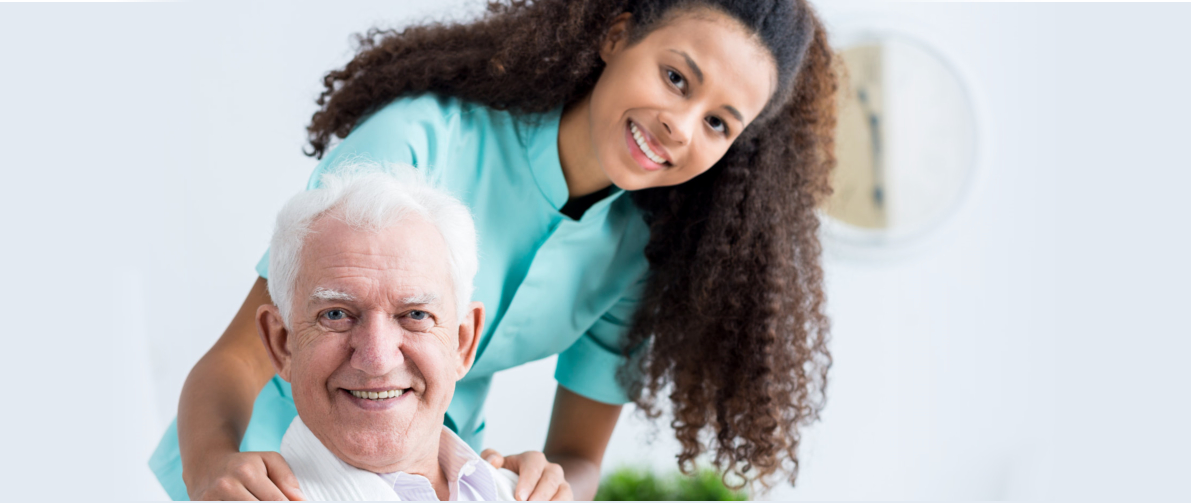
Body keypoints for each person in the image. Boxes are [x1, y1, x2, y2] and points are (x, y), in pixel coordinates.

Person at [150, 0, 839, 500]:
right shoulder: (420, 144)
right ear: (619, 36)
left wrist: (550, 479)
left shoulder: (635, 256)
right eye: (677, 78)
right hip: (270, 470)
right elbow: (238, 358)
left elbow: (579, 455)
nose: (680, 125)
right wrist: (211, 463)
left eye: (718, 122)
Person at [256, 164, 530, 500]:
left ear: (463, 342)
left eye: (415, 314)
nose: (377, 359)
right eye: (336, 314)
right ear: (282, 343)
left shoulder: (522, 491)